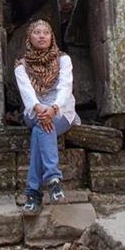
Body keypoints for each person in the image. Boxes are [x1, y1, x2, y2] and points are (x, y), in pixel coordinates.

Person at [14, 19, 80, 215]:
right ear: (29, 37)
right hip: (34, 111)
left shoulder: (63, 60)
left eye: (46, 32)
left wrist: (54, 108)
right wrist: (40, 108)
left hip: (62, 110)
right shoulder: (21, 65)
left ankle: (33, 192)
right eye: (37, 32)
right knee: (41, 124)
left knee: (40, 130)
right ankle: (53, 179)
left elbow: (66, 87)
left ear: (52, 37)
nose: (42, 36)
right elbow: (27, 93)